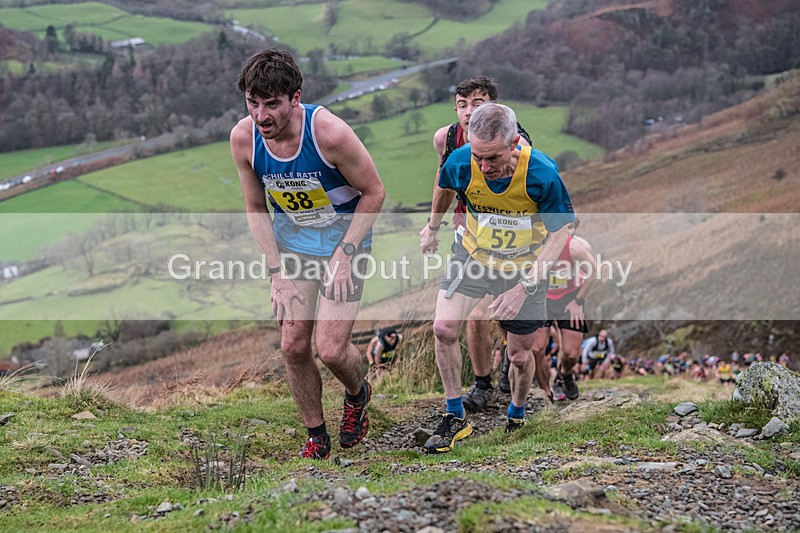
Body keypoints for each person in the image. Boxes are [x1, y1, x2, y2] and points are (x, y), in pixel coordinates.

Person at [230, 49, 386, 460]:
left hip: (344, 241)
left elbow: (374, 193)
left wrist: (347, 253)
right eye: (253, 102)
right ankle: (316, 434)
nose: (261, 115)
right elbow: (255, 207)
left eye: (272, 104)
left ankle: (357, 393)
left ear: (295, 98)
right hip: (295, 246)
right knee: (293, 345)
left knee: (332, 349)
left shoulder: (329, 133)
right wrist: (275, 273)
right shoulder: (244, 138)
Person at [422, 103, 575, 452]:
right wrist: (432, 227)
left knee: (520, 356)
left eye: (493, 158)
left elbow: (560, 233)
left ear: (515, 143)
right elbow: (445, 186)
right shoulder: (462, 160)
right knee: (443, 328)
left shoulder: (542, 173)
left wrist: (525, 287)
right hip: (474, 256)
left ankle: (517, 413)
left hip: (525, 268)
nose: (484, 166)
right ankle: (455, 417)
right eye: (478, 156)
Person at [420, 76, 531, 410]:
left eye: (478, 104)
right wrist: (432, 226)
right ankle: (482, 384)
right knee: (475, 314)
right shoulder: (446, 138)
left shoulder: (517, 141)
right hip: (467, 235)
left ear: (493, 107)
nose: (468, 113)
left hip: (510, 239)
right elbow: (443, 183)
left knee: (501, 312)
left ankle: (511, 362)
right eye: (462, 105)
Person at [532, 217, 596, 401]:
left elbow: (592, 272)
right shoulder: (535, 245)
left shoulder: (574, 247)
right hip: (542, 298)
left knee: (571, 353)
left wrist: (578, 302)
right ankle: (545, 390)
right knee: (536, 349)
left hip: (569, 298)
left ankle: (563, 376)